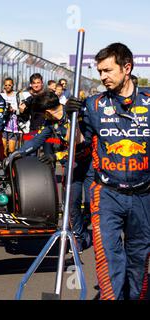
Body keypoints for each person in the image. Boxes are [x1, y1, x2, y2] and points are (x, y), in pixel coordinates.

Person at [67, 43, 149, 300]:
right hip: (107, 194)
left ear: (127, 68)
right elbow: (78, 143)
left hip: (144, 194)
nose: (102, 77)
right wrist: (70, 119)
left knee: (139, 261)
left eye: (107, 70)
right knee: (109, 259)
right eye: (99, 71)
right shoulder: (93, 104)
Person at [6, 91, 94, 252]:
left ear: (47, 112)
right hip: (72, 166)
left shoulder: (76, 113)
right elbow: (37, 140)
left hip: (91, 166)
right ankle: (79, 238)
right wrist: (18, 153)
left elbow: (84, 142)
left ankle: (92, 233)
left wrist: (56, 156)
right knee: (71, 204)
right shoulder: (50, 122)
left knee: (91, 203)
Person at [0, 77, 20, 156]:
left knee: (11, 149)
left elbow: (21, 109)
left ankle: (11, 162)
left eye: (9, 85)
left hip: (13, 122)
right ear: (4, 86)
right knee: (3, 148)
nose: (8, 86)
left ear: (12, 85)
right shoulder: (1, 95)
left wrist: (13, 110)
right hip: (3, 122)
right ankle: (3, 162)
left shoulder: (17, 95)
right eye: (6, 85)